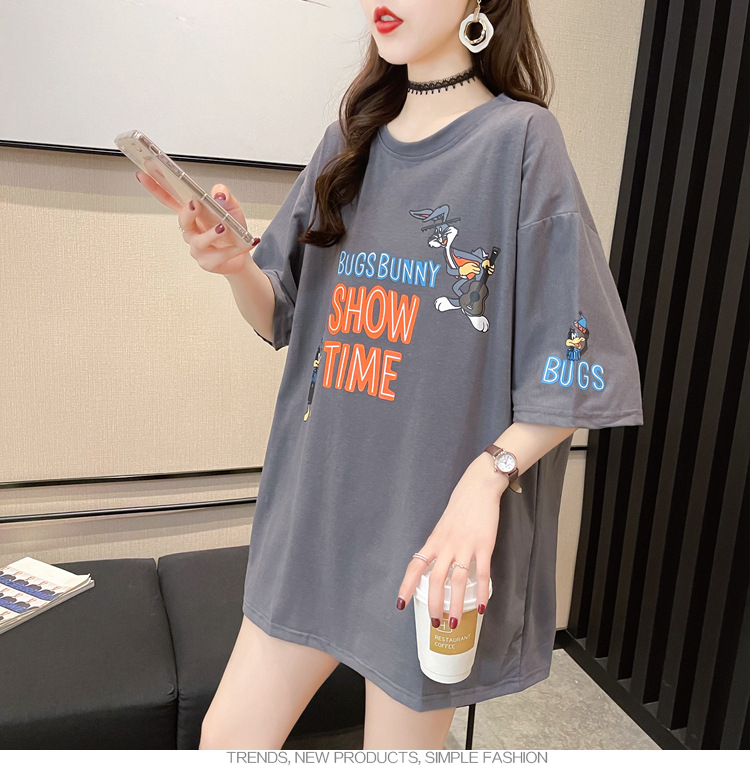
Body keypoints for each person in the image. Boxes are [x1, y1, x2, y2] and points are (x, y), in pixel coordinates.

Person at [136, 0, 644, 750]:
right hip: (314, 513)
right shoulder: (349, 140)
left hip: (428, 534)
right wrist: (235, 265)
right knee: (227, 740)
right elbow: (281, 313)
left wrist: (488, 478)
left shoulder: (520, 140)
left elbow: (576, 355)